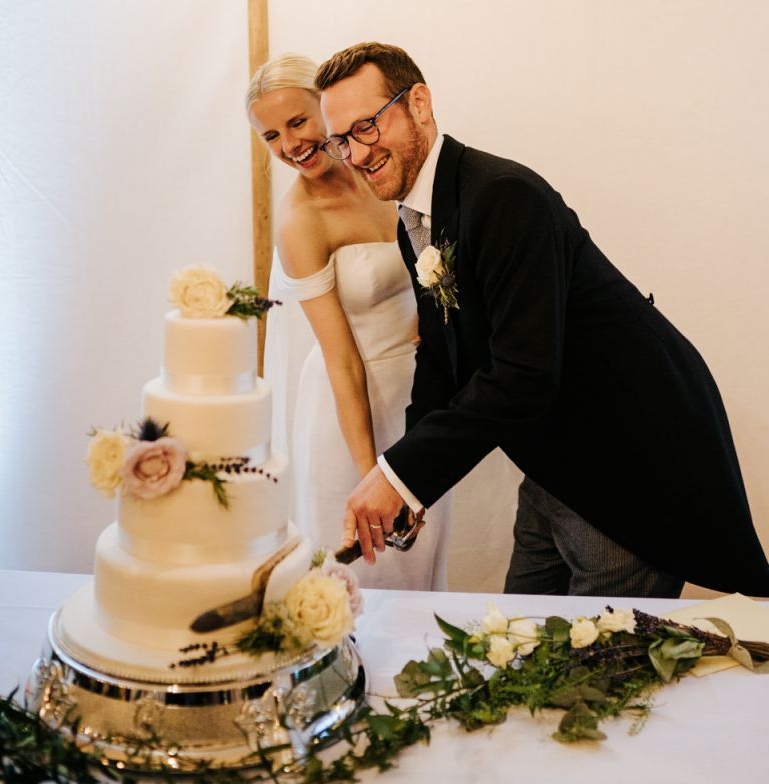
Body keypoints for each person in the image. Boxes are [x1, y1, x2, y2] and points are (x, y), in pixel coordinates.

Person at [315, 42, 769, 597]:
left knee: (600, 679)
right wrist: (408, 484)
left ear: (420, 104)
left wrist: (399, 477)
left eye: (366, 127)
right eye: (341, 141)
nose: (356, 155)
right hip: (553, 463)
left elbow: (524, 374)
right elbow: (439, 356)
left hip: (625, 461)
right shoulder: (416, 217)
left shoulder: (504, 196)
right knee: (518, 648)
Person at [246, 53, 451, 590]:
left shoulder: (381, 167)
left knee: (439, 567)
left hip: (429, 394)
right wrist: (375, 472)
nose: (290, 146)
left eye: (297, 122)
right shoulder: (299, 223)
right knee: (382, 583)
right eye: (271, 136)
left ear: (328, 108)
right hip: (354, 411)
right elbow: (340, 361)